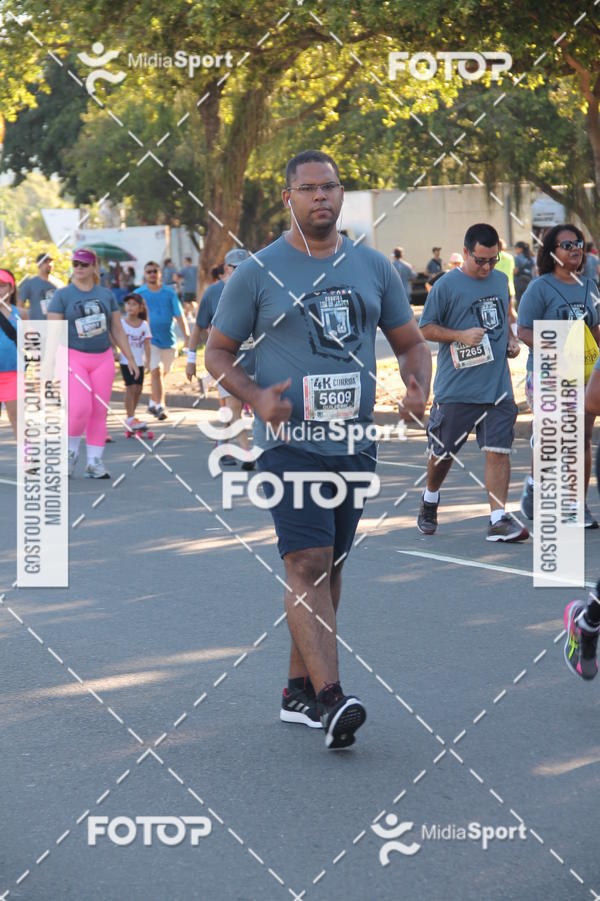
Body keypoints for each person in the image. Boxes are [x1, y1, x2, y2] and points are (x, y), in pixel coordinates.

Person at [205, 149, 431, 750]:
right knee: (305, 562)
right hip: (289, 443)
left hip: (355, 441)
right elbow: (217, 354)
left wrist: (417, 385)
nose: (321, 197)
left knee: (329, 567)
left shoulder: (374, 268)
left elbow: (410, 342)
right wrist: (257, 397)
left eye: (329, 187)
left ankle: (297, 692)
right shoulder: (258, 271)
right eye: (308, 189)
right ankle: (333, 699)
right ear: (289, 198)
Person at [417, 222, 528, 542]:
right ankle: (430, 497)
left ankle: (497, 518)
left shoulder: (500, 280)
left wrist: (510, 340)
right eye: (480, 260)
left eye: (492, 260)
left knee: (498, 450)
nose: (486, 266)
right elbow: (425, 329)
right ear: (465, 253)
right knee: (442, 454)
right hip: (457, 388)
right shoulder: (446, 286)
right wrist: (460, 336)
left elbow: (505, 316)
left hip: (496, 386)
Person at [517, 224, 600, 527]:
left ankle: (577, 505)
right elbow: (523, 330)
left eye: (578, 243)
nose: (575, 248)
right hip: (548, 374)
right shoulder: (539, 287)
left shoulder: (590, 286)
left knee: (583, 439)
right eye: (567, 245)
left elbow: (595, 331)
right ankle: (534, 488)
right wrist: (556, 342)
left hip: (584, 374)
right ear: (552, 252)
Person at [47, 248, 139, 478]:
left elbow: (116, 329)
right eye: (75, 263)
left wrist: (130, 357)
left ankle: (94, 461)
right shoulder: (62, 295)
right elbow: (53, 332)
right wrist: (46, 365)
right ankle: (70, 454)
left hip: (103, 358)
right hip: (72, 356)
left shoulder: (106, 295)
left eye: (84, 264)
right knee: (80, 408)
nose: (79, 267)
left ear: (94, 268)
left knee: (99, 410)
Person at [186, 248, 254, 467]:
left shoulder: (256, 289)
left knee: (238, 410)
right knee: (234, 407)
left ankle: (222, 443)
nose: (245, 273)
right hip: (225, 361)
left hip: (255, 360)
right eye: (239, 269)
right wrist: (190, 359)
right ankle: (248, 453)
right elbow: (198, 327)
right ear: (227, 268)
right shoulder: (213, 293)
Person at [135, 260, 189, 421]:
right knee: (156, 371)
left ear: (160, 274)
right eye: (149, 271)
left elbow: (179, 315)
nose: (152, 274)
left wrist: (187, 337)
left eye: (154, 271)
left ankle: (152, 401)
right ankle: (160, 406)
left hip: (169, 341)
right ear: (145, 274)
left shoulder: (169, 292)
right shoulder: (139, 294)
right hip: (149, 340)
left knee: (162, 374)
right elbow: (132, 317)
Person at [118, 293, 152, 432]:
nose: (130, 307)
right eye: (128, 304)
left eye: (133, 304)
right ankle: (130, 418)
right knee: (130, 388)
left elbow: (147, 345)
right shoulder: (121, 323)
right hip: (126, 361)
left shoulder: (144, 325)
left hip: (139, 362)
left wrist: (148, 361)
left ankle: (132, 417)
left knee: (138, 389)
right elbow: (117, 339)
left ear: (140, 308)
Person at [0, 269, 21, 440]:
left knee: (17, 419)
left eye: (2, 286)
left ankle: (28, 460)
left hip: (13, 375)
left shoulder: (21, 313)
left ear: (11, 289)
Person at [18, 252, 58, 319]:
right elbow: (19, 305)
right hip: (34, 325)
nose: (49, 264)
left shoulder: (55, 286)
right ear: (39, 264)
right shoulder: (29, 283)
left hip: (51, 325)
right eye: (46, 262)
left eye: (50, 262)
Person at [495, 238, 516, 310]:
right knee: (511, 310)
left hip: (497, 286)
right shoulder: (510, 257)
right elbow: (513, 270)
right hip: (509, 285)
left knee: (499, 310)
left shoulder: (494, 257)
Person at [513, 241, 535, 306]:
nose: (515, 250)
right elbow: (534, 271)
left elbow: (515, 271)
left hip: (519, 282)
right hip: (529, 281)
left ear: (521, 249)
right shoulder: (530, 258)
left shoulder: (517, 258)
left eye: (516, 248)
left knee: (520, 302)